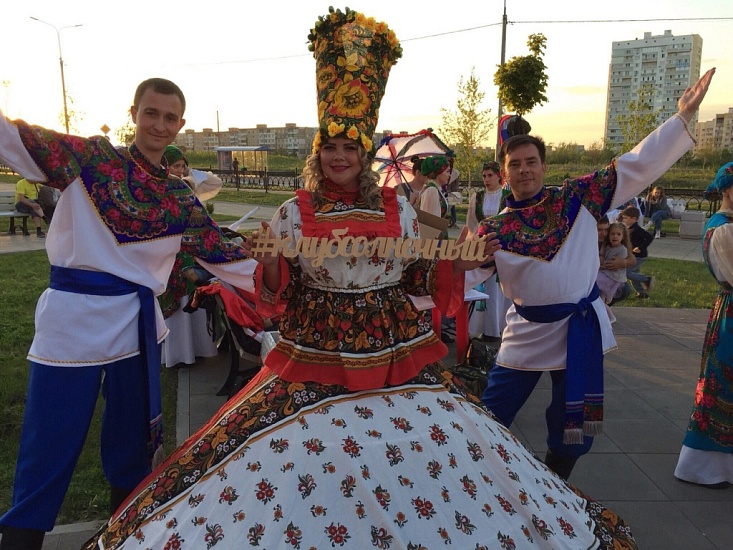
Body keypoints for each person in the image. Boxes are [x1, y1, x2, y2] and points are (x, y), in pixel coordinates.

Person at [82, 8, 639, 549]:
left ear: (364, 152)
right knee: (304, 464)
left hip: (396, 345)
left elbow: (424, 269)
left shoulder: (397, 206)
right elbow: (275, 287)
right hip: (315, 346)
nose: (340, 157)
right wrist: (269, 256)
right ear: (319, 153)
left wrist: (464, 255)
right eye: (331, 148)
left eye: (351, 148)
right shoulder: (294, 211)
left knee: (418, 458)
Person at [0, 78, 258, 550]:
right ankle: (21, 540)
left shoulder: (180, 197)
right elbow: (15, 138)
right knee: (48, 444)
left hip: (136, 329)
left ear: (180, 124)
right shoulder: (91, 160)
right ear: (134, 113)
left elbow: (226, 257)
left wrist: (305, 279)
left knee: (134, 446)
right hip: (71, 324)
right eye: (151, 113)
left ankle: (123, 538)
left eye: (169, 117)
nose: (159, 125)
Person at [477, 67, 715, 481]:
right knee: (492, 410)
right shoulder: (494, 229)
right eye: (515, 164)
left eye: (531, 161)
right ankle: (485, 482)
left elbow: (634, 166)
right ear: (505, 171)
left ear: (543, 165)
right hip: (527, 332)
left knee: (572, 426)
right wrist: (462, 264)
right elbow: (462, 275)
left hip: (579, 328)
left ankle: (554, 489)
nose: (524, 170)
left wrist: (681, 119)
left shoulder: (578, 197)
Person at [674, 161, 733, 489]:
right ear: (725, 189)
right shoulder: (722, 229)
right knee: (721, 386)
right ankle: (704, 467)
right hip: (730, 317)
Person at [158, 145, 223, 369]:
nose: (179, 170)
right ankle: (178, 355)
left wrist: (189, 174)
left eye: (183, 166)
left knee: (192, 304)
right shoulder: (159, 188)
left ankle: (197, 349)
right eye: (176, 165)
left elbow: (216, 183)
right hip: (171, 258)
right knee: (177, 308)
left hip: (190, 253)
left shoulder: (185, 186)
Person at [466, 161, 512, 341]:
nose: (486, 179)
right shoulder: (477, 197)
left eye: (490, 175)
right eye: (484, 176)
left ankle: (502, 327)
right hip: (483, 246)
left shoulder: (508, 196)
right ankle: (487, 328)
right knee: (485, 286)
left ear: (499, 176)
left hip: (504, 247)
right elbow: (471, 223)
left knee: (502, 289)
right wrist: (473, 242)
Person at [596, 215, 634, 305]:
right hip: (591, 275)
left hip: (611, 275)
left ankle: (604, 308)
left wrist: (624, 262)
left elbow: (632, 258)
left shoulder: (611, 242)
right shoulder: (589, 241)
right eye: (599, 230)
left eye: (606, 230)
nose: (603, 233)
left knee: (624, 290)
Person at [621, 205, 655, 299]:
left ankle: (646, 279)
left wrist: (640, 247)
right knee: (634, 275)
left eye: (625, 218)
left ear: (634, 219)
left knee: (626, 273)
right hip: (634, 255)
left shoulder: (637, 229)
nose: (623, 219)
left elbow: (649, 237)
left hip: (639, 256)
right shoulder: (628, 228)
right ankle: (642, 293)